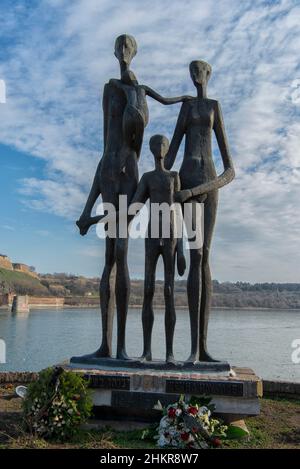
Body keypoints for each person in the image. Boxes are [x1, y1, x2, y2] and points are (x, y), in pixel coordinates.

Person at [75, 35, 189, 361]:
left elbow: (137, 138)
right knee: (109, 257)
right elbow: (103, 146)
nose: (124, 53)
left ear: (134, 53)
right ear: (114, 51)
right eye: (120, 47)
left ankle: (123, 346)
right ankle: (106, 345)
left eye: (129, 48)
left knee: (122, 251)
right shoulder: (109, 90)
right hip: (108, 170)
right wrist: (87, 209)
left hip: (128, 171)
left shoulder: (140, 93)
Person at [165, 60, 235, 363]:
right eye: (192, 70)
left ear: (208, 74)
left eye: (201, 70)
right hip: (187, 182)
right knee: (195, 257)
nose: (196, 74)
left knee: (205, 256)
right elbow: (168, 160)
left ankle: (203, 347)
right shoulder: (185, 109)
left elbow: (230, 170)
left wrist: (196, 191)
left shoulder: (214, 107)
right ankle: (193, 349)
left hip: (207, 185)